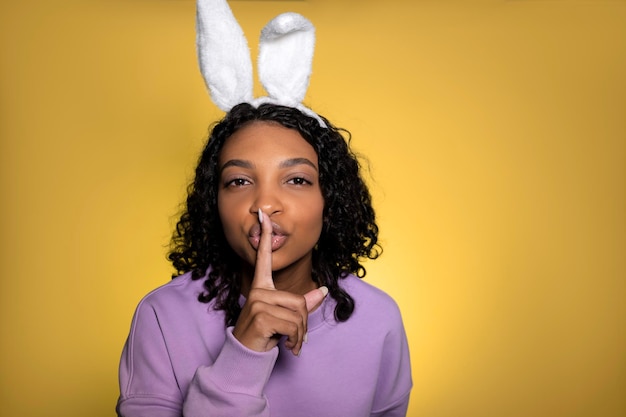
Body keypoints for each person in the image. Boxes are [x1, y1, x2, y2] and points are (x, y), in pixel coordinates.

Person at [115, 103, 413, 416]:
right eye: (239, 181)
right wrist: (243, 354)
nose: (265, 204)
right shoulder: (163, 316)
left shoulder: (378, 318)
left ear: (330, 200)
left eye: (297, 180)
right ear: (213, 202)